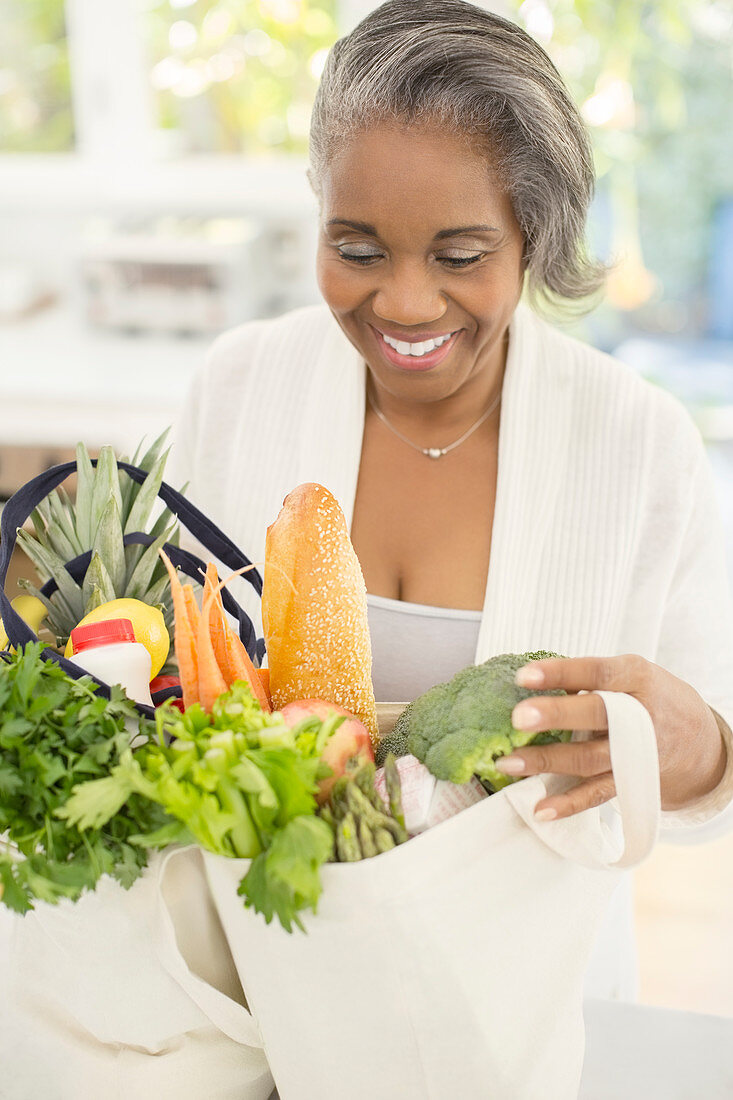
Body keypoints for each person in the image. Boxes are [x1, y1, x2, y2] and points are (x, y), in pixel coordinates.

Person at [169, 0, 733, 999]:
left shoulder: (639, 444)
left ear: (534, 236)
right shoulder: (237, 385)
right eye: (357, 247)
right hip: (267, 993)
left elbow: (710, 767)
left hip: (529, 999)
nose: (403, 302)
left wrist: (704, 751)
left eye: (459, 256)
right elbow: (167, 689)